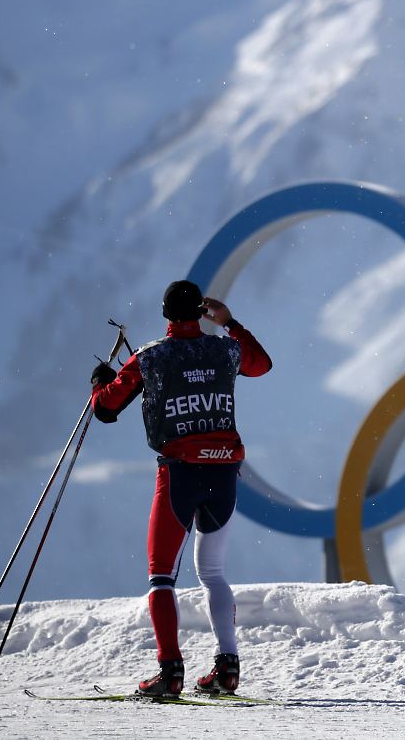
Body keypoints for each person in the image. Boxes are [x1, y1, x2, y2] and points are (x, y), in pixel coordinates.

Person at [90, 279, 272, 699]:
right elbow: (261, 364)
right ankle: (227, 667)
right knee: (212, 571)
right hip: (225, 471)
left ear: (166, 314)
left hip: (179, 474)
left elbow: (105, 408)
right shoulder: (226, 349)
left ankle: (169, 671)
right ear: (201, 312)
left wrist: (101, 380)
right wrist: (230, 323)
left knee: (160, 577)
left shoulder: (151, 357)